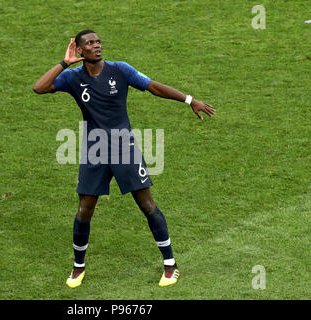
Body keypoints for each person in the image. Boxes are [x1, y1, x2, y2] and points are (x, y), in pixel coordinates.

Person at [33, 30, 216, 288]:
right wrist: (64, 62)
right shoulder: (72, 78)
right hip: (94, 150)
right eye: (90, 43)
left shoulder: (120, 70)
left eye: (98, 42)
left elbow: (153, 86)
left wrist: (189, 100)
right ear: (79, 49)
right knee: (85, 209)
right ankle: (78, 267)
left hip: (123, 147)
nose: (97, 46)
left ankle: (170, 265)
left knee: (146, 204)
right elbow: (39, 88)